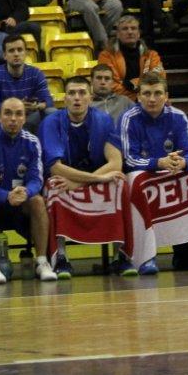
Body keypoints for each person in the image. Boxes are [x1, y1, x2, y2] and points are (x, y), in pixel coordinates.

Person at [118, 73, 188, 273]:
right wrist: (158, 162)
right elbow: (128, 160)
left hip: (171, 170)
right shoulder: (128, 118)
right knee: (136, 180)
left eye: (157, 93)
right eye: (147, 94)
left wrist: (184, 163)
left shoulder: (178, 116)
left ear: (166, 96)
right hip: (145, 173)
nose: (152, 99)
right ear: (139, 97)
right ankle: (145, 257)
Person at [38, 76, 125, 278]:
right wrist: (97, 179)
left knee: (120, 183)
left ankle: (119, 255)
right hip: (67, 178)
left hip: (85, 178)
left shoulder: (104, 120)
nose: (77, 98)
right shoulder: (50, 123)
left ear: (90, 98)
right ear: (64, 98)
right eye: (71, 93)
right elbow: (56, 168)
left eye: (82, 93)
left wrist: (80, 182)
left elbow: (115, 163)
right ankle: (61, 256)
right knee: (54, 185)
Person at [0, 97, 58, 282]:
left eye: (19, 114)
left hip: (21, 200)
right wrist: (6, 196)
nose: (13, 119)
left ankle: (42, 262)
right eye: (8, 113)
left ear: (25, 118)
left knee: (38, 201)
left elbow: (36, 179)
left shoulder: (32, 142)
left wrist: (26, 192)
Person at [0, 35, 53, 129]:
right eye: (11, 51)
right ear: (4, 55)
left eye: (20, 50)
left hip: (30, 116)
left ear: (25, 53)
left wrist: (37, 106)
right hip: (6, 116)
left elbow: (48, 101)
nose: (16, 54)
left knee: (51, 112)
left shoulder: (36, 73)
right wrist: (17, 106)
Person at [96, 14, 165, 102]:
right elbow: (110, 84)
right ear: (118, 34)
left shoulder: (151, 55)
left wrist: (133, 84)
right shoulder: (106, 56)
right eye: (125, 29)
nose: (130, 32)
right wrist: (136, 95)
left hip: (148, 100)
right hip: (117, 102)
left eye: (133, 28)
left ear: (138, 34)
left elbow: (158, 79)